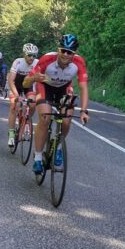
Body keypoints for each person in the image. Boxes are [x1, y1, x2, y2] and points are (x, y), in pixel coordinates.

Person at [23, 34, 90, 175]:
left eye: (69, 52)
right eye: (63, 50)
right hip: (45, 87)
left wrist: (84, 111)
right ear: (58, 49)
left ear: (74, 53)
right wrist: (34, 78)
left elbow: (83, 87)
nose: (65, 54)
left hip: (64, 89)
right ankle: (38, 157)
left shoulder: (79, 62)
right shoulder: (47, 59)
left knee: (66, 120)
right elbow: (25, 83)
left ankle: (58, 147)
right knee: (45, 119)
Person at [6, 43, 39, 146]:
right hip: (16, 85)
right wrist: (16, 96)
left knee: (33, 104)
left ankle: (27, 120)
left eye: (34, 55)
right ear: (24, 54)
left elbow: (39, 81)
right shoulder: (18, 62)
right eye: (29, 55)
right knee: (14, 106)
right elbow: (11, 80)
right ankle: (11, 134)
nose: (32, 58)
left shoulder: (37, 63)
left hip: (28, 86)